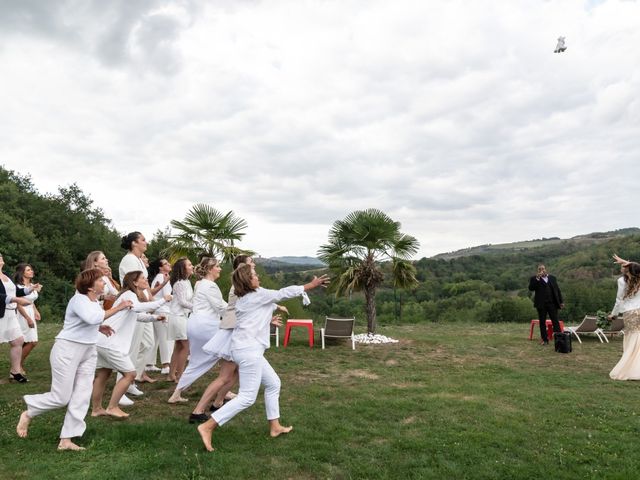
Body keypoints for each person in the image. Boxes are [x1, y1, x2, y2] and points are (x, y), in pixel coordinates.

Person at [196, 264, 330, 452]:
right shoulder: (257, 295)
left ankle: (275, 426)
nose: (257, 276)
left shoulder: (246, 298)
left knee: (273, 383)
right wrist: (311, 285)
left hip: (246, 350)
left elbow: (253, 318)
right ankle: (208, 426)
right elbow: (283, 293)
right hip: (249, 351)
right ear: (248, 281)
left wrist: (269, 320)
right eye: (254, 275)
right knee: (247, 397)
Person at [16, 268, 131, 451]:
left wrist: (100, 328)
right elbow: (91, 318)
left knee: (82, 395)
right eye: (101, 281)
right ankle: (29, 412)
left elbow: (90, 321)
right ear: (91, 285)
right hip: (68, 349)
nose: (104, 283)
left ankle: (66, 439)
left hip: (88, 350)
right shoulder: (79, 299)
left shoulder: (94, 302)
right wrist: (119, 307)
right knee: (61, 397)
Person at [91, 271, 170, 418]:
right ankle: (112, 407)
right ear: (134, 282)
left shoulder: (127, 296)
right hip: (111, 342)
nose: (146, 280)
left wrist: (155, 318)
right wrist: (163, 300)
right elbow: (139, 309)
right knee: (130, 374)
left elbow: (137, 315)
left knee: (103, 374)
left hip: (102, 340)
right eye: (142, 278)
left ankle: (96, 409)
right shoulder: (129, 295)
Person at [168, 257, 226, 407]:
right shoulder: (210, 286)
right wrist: (241, 312)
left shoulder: (200, 284)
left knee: (198, 360)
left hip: (195, 323)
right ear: (209, 269)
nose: (220, 269)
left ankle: (176, 393)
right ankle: (223, 391)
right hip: (206, 326)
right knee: (227, 355)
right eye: (217, 266)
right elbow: (220, 307)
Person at [1, 252, 41, 383]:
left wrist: (30, 289)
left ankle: (15, 372)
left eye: (1, 257)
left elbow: (15, 291)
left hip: (10, 314)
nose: (0, 258)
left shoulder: (5, 276)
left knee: (18, 340)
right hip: (1, 314)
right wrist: (16, 299)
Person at [609, 260, 640, 380]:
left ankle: (630, 369)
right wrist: (630, 263)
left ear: (628, 270)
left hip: (630, 313)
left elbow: (619, 300)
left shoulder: (621, 281)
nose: (622, 267)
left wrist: (613, 314)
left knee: (632, 338)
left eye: (624, 266)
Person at [167, 257, 194, 382]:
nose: (192, 266)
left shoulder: (187, 282)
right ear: (183, 269)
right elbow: (183, 302)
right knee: (186, 346)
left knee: (178, 346)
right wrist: (197, 308)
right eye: (189, 265)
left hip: (182, 316)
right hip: (178, 317)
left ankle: (171, 375)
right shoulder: (179, 283)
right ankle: (180, 375)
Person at [146, 258, 173, 375]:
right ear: (160, 268)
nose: (169, 264)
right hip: (162, 310)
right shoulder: (162, 277)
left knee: (156, 338)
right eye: (166, 264)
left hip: (156, 310)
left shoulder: (159, 278)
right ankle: (166, 365)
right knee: (165, 338)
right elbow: (166, 296)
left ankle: (149, 364)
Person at [14, 263, 41, 374]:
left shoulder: (32, 285)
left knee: (26, 341)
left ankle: (18, 366)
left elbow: (31, 301)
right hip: (22, 313)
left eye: (31, 269)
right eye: (28, 270)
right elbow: (18, 304)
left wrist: (35, 311)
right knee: (32, 341)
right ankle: (17, 366)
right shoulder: (19, 287)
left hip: (30, 310)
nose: (32, 271)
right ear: (22, 273)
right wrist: (28, 318)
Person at [528, 264, 564, 345]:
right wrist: (537, 278)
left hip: (552, 303)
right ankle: (545, 340)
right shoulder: (534, 279)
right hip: (541, 304)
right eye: (540, 269)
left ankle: (559, 340)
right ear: (538, 271)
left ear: (546, 269)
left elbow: (557, 290)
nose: (542, 270)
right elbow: (531, 288)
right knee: (542, 322)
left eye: (543, 268)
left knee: (555, 321)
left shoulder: (552, 278)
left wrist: (561, 301)